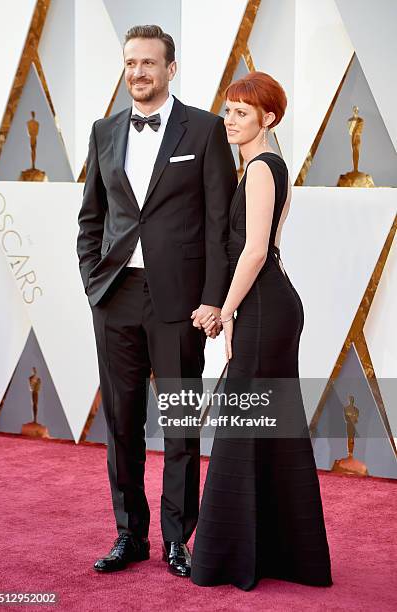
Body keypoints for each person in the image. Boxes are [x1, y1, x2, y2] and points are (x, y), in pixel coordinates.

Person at [76, 25, 237, 577]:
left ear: (171, 68)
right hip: (116, 296)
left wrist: (213, 299)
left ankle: (177, 539)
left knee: (180, 424)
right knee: (121, 423)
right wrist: (92, 282)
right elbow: (92, 217)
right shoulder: (104, 131)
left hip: (180, 302)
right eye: (130, 63)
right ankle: (129, 536)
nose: (138, 73)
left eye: (149, 63)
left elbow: (219, 224)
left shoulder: (207, 130)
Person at [190, 72, 333, 590]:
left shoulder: (262, 170)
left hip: (262, 306)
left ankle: (236, 556)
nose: (230, 120)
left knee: (244, 423)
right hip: (267, 305)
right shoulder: (259, 167)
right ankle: (278, 553)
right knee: (262, 427)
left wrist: (226, 311)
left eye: (241, 113)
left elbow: (255, 251)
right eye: (228, 110)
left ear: (268, 118)